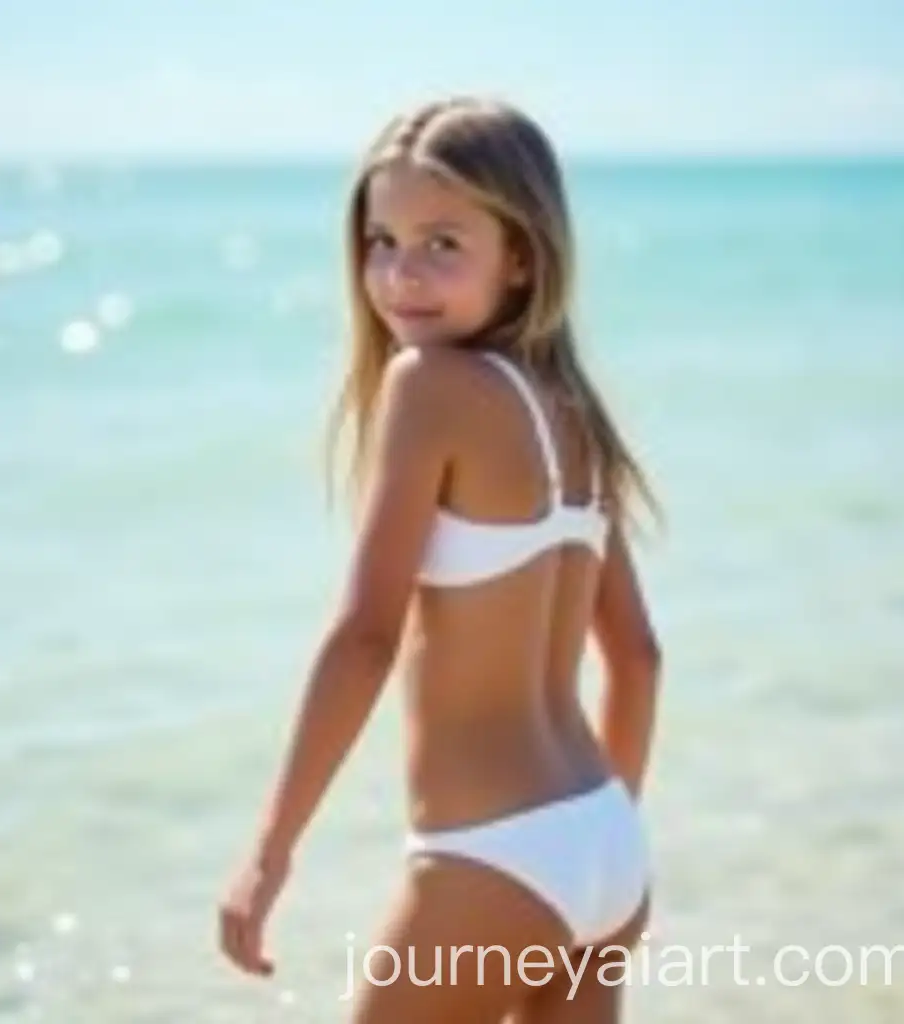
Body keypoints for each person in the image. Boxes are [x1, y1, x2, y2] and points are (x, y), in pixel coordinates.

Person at [218, 94, 663, 1023]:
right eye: (381, 240)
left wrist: (270, 850)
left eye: (442, 244)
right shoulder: (574, 413)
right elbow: (637, 657)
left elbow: (366, 637)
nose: (400, 275)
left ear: (522, 257)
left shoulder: (430, 386)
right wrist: (595, 836)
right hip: (606, 842)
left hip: (493, 855)